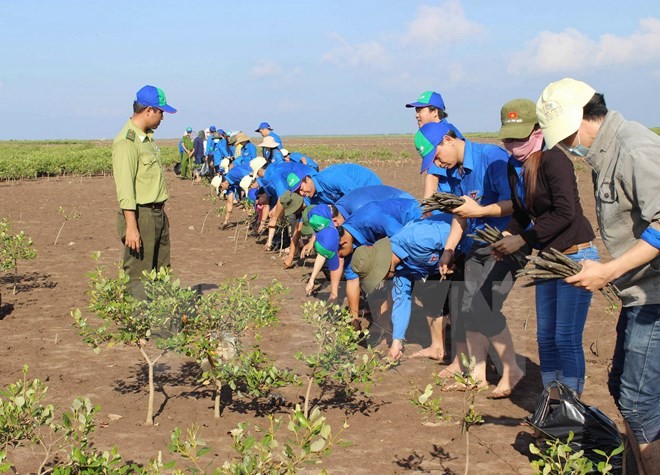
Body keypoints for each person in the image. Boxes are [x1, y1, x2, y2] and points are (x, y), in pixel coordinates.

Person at [536, 78, 660, 473]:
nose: (567, 144)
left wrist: (607, 271)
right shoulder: (603, 154)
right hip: (637, 292)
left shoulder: (634, 149)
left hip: (655, 294)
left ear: (584, 117)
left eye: (567, 133)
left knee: (639, 403)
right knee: (623, 387)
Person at [490, 98, 598, 397]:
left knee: (566, 337)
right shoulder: (516, 167)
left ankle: (570, 402)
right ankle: (552, 399)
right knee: (545, 338)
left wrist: (522, 240)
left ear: (537, 131)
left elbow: (566, 213)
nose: (514, 145)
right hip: (548, 259)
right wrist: (507, 238)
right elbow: (523, 214)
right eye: (509, 139)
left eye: (520, 138)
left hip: (575, 255)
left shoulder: (554, 159)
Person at [416, 121, 525, 396]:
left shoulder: (492, 160)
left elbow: (516, 203)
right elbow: (460, 215)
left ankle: (512, 369)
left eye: (437, 155)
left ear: (449, 140)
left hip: (506, 242)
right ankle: (478, 374)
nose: (437, 163)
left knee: (484, 306)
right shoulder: (457, 172)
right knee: (467, 308)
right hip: (477, 245)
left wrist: (480, 212)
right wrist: (449, 250)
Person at [351, 214, 452, 360]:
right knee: (430, 295)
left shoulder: (417, 238)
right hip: (442, 270)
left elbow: (459, 231)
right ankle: (438, 348)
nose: (382, 280)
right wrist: (396, 341)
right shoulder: (399, 271)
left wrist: (454, 258)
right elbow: (401, 301)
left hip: (470, 250)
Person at [112, 85, 176, 300]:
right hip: (140, 215)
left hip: (156, 214)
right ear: (149, 110)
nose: (162, 118)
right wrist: (131, 226)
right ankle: (138, 330)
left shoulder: (146, 139)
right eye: (161, 112)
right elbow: (125, 188)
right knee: (139, 275)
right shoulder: (126, 142)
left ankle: (159, 327)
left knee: (161, 270)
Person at [288, 163, 382, 204]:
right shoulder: (311, 196)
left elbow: (357, 196)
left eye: (301, 189)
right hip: (353, 196)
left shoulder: (330, 178)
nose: (301, 194)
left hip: (368, 187)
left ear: (307, 179)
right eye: (297, 193)